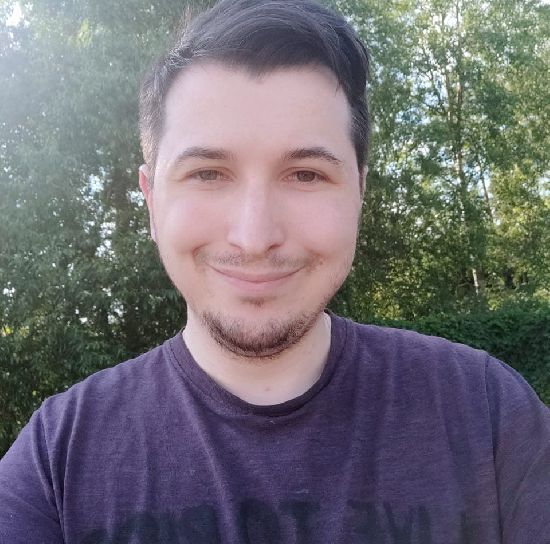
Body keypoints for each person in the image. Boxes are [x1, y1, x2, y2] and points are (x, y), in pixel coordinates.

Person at [1, 0, 549, 542]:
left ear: (359, 192)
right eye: (208, 173)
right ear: (150, 200)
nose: (255, 235)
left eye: (306, 175)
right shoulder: (56, 463)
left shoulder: (488, 415)